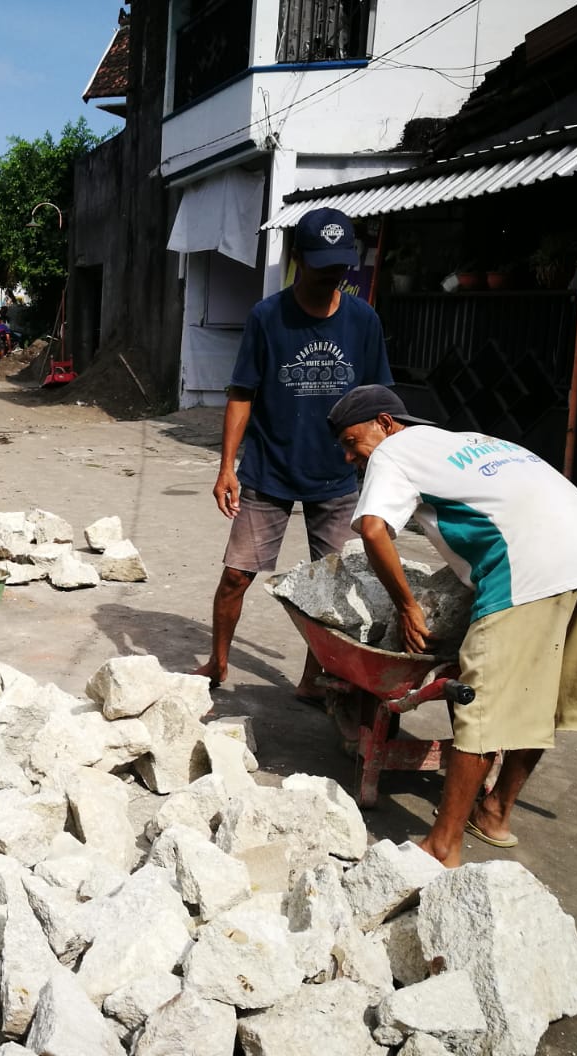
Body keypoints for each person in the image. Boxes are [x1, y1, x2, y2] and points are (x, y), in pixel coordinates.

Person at [329, 384, 577, 867]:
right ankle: (495, 812)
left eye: (352, 444)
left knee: (477, 705)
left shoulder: (393, 452)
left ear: (385, 422)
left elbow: (373, 529)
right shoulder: (464, 440)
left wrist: (407, 607)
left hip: (528, 564)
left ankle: (442, 845)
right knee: (538, 697)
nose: (352, 459)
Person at [195, 207, 393, 698]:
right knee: (236, 577)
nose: (333, 273)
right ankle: (217, 664)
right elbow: (242, 393)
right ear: (298, 258)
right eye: (322, 262)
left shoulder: (363, 320)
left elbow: (381, 405)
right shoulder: (267, 317)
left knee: (332, 588)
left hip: (338, 477)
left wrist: (383, 472)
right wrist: (226, 468)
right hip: (270, 469)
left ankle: (313, 679)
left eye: (340, 264)